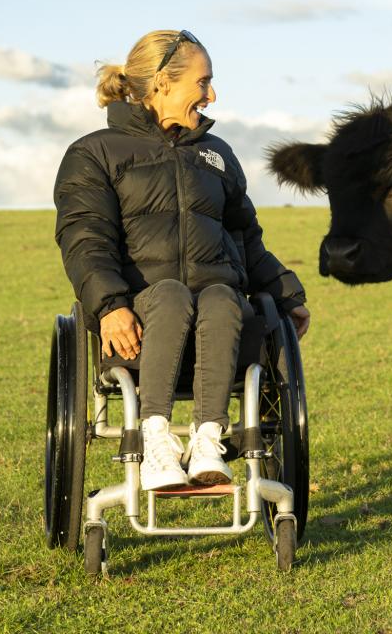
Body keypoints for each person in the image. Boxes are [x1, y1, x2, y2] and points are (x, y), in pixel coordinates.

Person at [54, 30, 309, 491]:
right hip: (139, 325)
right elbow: (84, 239)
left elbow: (247, 240)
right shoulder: (93, 154)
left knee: (221, 296)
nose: (211, 95)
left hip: (221, 325)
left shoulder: (216, 156)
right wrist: (110, 305)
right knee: (171, 294)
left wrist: (286, 294)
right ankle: (155, 441)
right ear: (162, 84)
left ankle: (209, 438)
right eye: (203, 82)